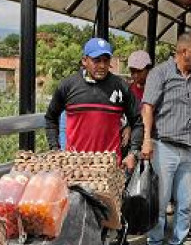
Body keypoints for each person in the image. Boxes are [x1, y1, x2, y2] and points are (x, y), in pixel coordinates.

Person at [141, 32, 191, 245]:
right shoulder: (160, 73)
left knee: (185, 202)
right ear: (184, 51)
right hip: (164, 146)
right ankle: (154, 244)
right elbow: (148, 107)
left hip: (190, 149)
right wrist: (147, 140)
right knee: (160, 202)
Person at [44, 37, 142, 170]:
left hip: (110, 168)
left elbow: (137, 120)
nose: (102, 66)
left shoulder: (121, 86)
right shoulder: (68, 85)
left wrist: (133, 153)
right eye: (96, 60)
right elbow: (51, 118)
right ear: (85, 61)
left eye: (106, 60)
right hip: (74, 167)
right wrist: (55, 149)